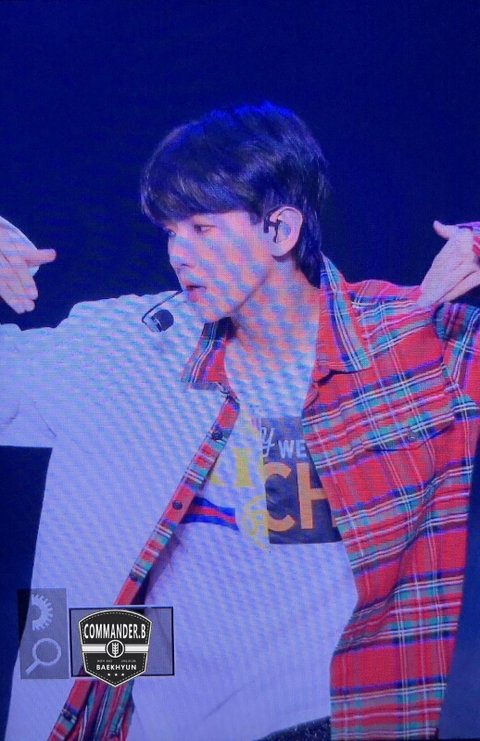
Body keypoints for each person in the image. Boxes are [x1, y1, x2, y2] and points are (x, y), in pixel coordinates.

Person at [1, 103, 479, 741]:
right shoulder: (128, 348)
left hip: (318, 718)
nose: (178, 254)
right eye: (170, 232)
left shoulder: (399, 343)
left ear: (280, 229)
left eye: (202, 228)